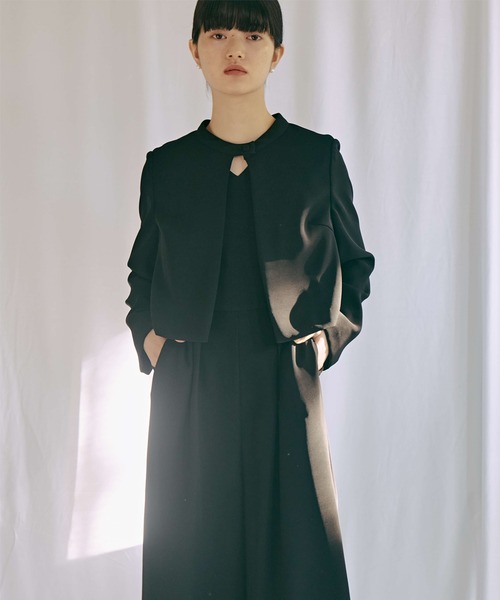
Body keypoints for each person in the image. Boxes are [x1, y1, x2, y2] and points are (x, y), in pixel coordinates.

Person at [125, 1, 375, 598]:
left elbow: (356, 265)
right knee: (191, 554)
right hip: (190, 375)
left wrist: (326, 342)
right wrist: (152, 341)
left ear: (277, 53)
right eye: (217, 34)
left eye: (253, 35)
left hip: (285, 372)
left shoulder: (317, 157)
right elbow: (142, 273)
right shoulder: (166, 166)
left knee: (297, 555)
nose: (234, 49)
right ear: (195, 50)